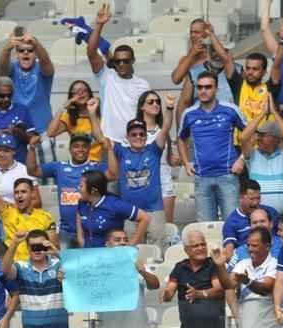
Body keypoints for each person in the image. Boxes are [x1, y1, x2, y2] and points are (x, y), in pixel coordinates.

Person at [178, 71, 246, 222]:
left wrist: (242, 159)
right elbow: (181, 139)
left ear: (217, 89)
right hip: (202, 177)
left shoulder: (231, 109)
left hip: (228, 174)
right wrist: (186, 162)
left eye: (208, 87)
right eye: (200, 87)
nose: (203, 91)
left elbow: (250, 134)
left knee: (231, 224)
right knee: (205, 226)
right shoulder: (189, 114)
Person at [0, 229, 71, 328]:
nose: (38, 250)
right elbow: (5, 270)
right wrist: (14, 243)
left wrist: (55, 250)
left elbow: (77, 268)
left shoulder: (59, 265)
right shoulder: (21, 267)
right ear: (27, 248)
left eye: (41, 246)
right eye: (34, 246)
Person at [160, 230, 233, 328]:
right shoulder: (179, 267)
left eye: (203, 244)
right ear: (186, 250)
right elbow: (170, 290)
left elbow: (220, 290)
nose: (201, 248)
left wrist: (200, 294)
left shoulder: (214, 264)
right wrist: (166, 294)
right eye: (196, 246)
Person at [93, 228, 158, 328]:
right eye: (117, 240)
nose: (123, 243)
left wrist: (142, 271)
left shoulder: (138, 265)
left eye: (125, 240)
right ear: (107, 245)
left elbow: (154, 285)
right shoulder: (96, 270)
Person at [106, 108, 172, 247]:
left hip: (154, 210)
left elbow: (165, 128)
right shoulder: (121, 152)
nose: (138, 137)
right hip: (130, 213)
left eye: (142, 134)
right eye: (134, 134)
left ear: (146, 136)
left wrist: (170, 108)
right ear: (128, 136)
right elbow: (101, 137)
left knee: (158, 252)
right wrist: (93, 114)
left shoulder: (154, 150)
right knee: (132, 252)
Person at [86, 5, 150, 145]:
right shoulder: (107, 77)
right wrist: (99, 24)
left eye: (125, 61)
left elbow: (147, 116)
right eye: (117, 61)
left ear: (133, 61)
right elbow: (91, 53)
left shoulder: (143, 85)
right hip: (110, 143)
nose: (121, 64)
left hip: (134, 143)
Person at [230, 227, 283, 328]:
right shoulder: (242, 264)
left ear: (267, 246)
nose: (249, 249)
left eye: (254, 245)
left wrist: (247, 281)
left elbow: (266, 288)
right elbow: (228, 285)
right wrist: (219, 267)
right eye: (248, 245)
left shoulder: (276, 264)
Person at [0, 162, 56, 260]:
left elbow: (54, 249)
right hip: (14, 267)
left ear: (32, 194)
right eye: (16, 192)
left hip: (36, 265)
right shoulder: (7, 212)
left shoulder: (46, 217)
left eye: (23, 192)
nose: (19, 195)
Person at [73, 170, 148, 249]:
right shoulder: (82, 203)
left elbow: (145, 218)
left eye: (81, 186)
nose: (79, 189)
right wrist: (82, 243)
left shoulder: (114, 205)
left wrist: (131, 246)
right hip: (89, 254)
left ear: (93, 190)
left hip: (110, 256)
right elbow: (80, 231)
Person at [220, 180, 275, 258]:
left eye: (258, 198)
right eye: (252, 199)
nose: (256, 203)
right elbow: (229, 253)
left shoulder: (271, 212)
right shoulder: (231, 222)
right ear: (241, 198)